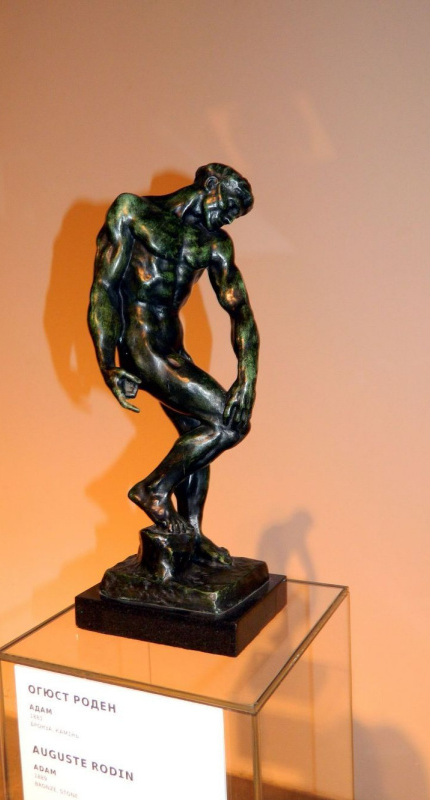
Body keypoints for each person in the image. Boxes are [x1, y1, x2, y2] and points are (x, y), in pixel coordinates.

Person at [88, 164, 258, 565]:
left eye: (236, 215)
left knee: (200, 434)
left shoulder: (215, 244)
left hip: (174, 350)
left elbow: (240, 311)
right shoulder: (133, 211)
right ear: (211, 185)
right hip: (141, 346)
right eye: (230, 206)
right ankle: (153, 490)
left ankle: (192, 535)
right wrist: (107, 363)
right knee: (229, 424)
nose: (230, 218)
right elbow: (104, 288)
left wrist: (247, 378)